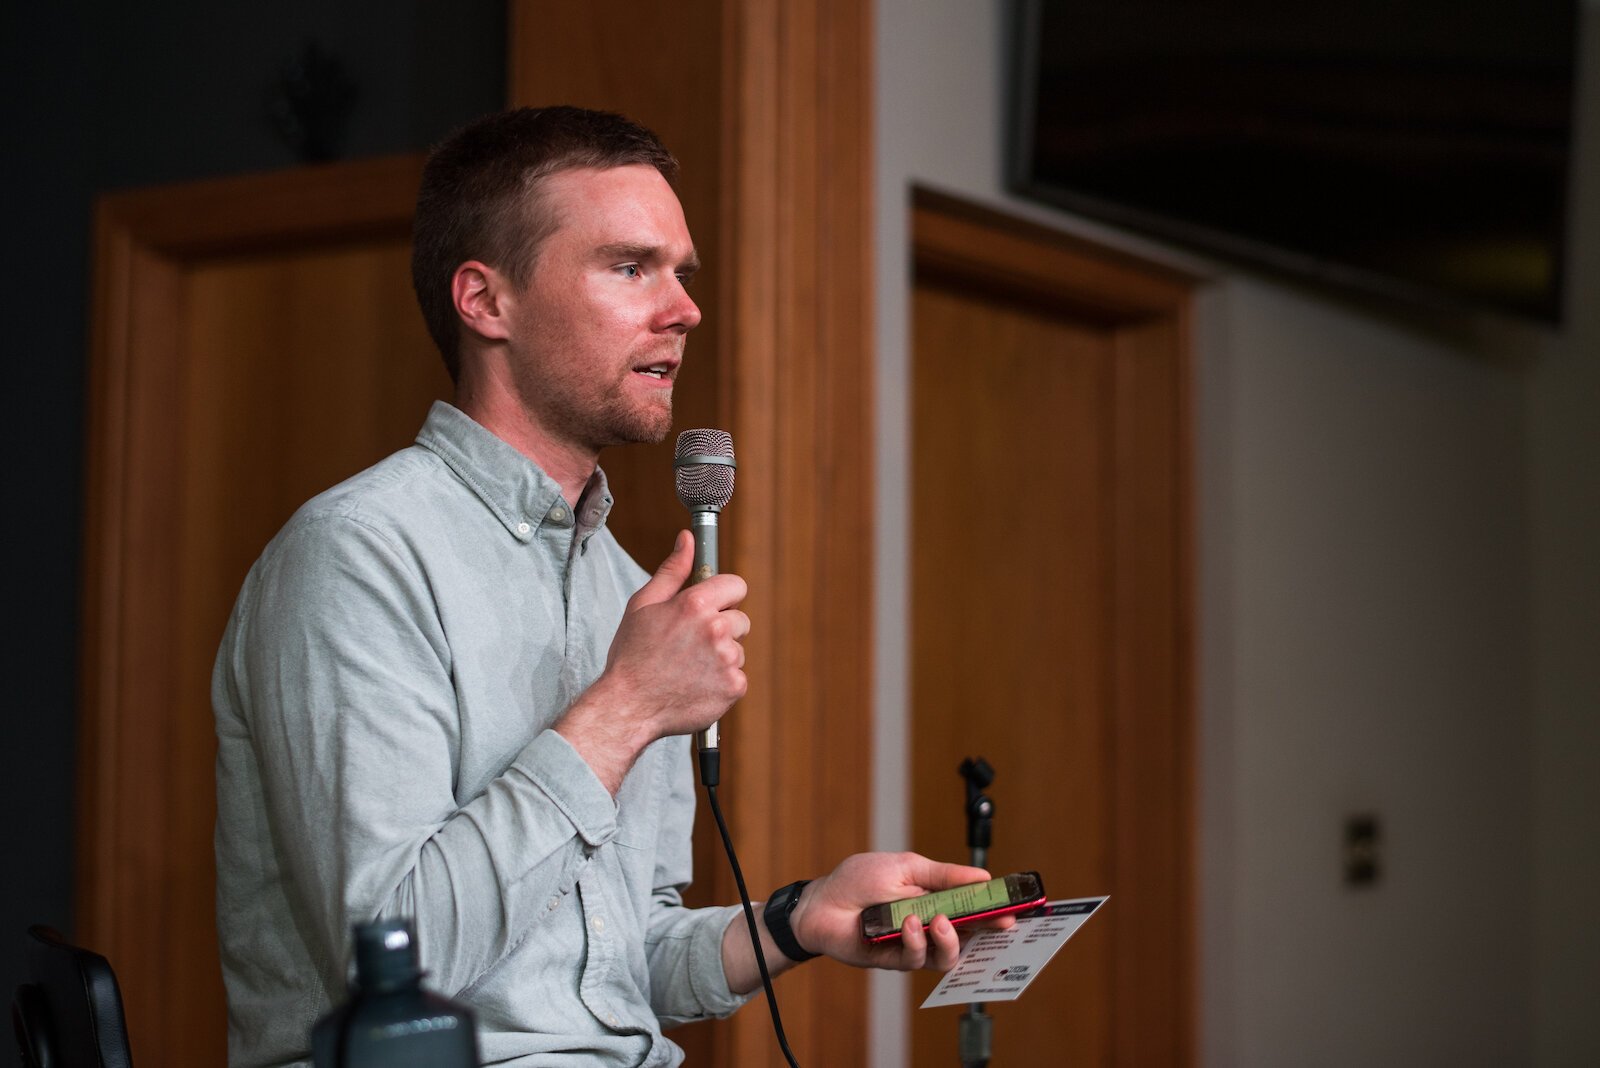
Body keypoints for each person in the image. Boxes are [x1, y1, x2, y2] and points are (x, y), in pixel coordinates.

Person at [212, 106, 995, 1068]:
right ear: (484, 302)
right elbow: (395, 957)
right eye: (631, 268)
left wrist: (799, 918)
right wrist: (624, 708)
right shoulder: (357, 554)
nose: (684, 309)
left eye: (682, 274)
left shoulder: (627, 589)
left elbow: (616, 958)